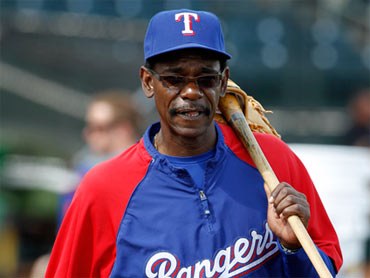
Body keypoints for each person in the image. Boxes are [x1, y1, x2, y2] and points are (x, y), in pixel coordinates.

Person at [46, 9, 342, 277]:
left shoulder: (272, 161)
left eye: (206, 78)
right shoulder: (103, 189)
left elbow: (324, 269)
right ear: (148, 82)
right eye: (174, 78)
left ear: (223, 82)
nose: (191, 91)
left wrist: (292, 248)